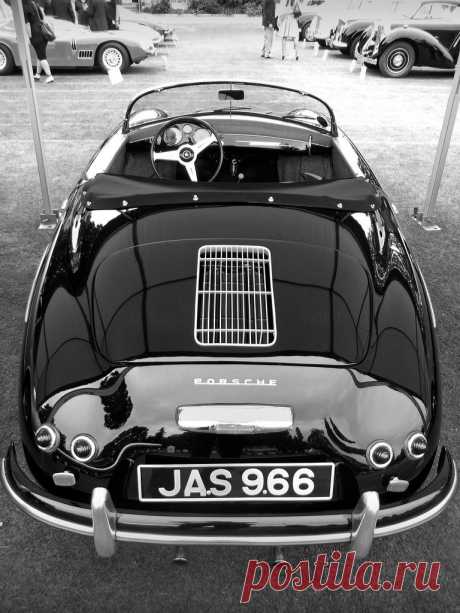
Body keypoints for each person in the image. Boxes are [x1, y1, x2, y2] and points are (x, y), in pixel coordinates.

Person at [22, 0, 54, 82]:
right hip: (42, 31)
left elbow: (27, 24)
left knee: (42, 57)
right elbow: (42, 17)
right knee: (40, 54)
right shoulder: (34, 3)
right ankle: (37, 75)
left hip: (35, 33)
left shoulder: (24, 7)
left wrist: (29, 37)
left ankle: (49, 76)